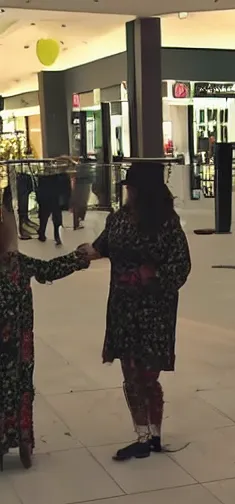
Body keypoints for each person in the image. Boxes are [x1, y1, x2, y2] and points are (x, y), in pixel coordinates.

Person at [80, 162, 191, 462]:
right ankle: (142, 434)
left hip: (155, 308)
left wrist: (151, 276)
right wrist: (79, 256)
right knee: (130, 371)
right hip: (123, 306)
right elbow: (100, 247)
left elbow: (181, 266)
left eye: (133, 186)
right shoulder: (118, 219)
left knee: (147, 372)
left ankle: (154, 433)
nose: (128, 190)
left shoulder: (167, 223)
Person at [0, 186, 90, 471]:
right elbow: (48, 270)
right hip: (17, 346)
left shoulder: (17, 263)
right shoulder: (17, 264)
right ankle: (22, 440)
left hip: (16, 344)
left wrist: (79, 258)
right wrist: (80, 258)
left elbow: (47, 270)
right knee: (20, 389)